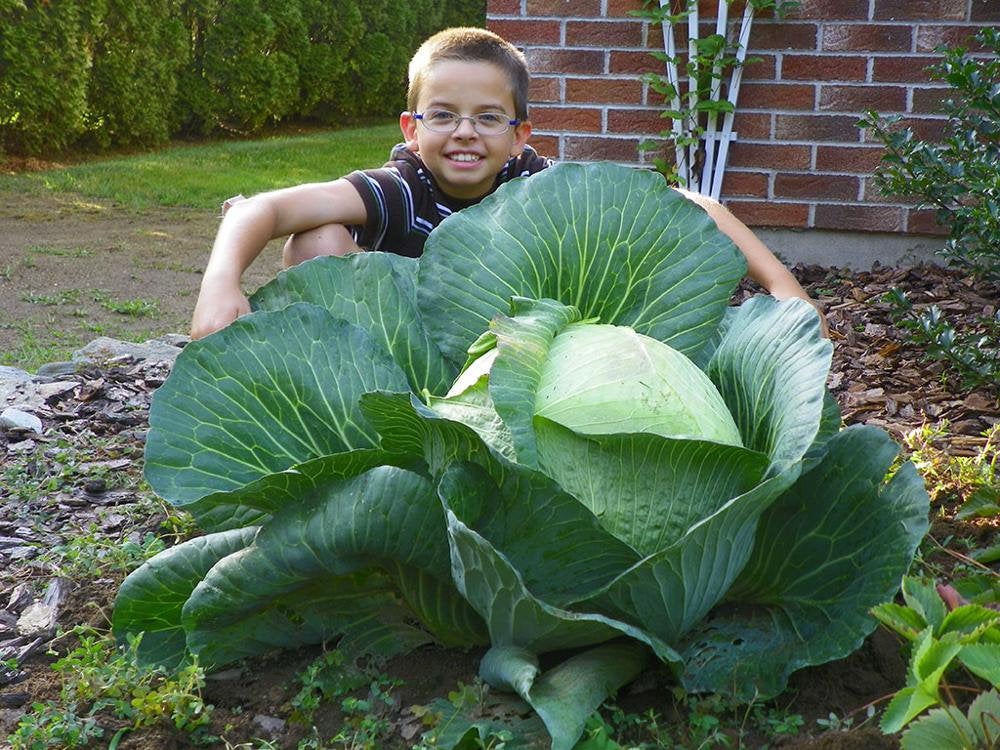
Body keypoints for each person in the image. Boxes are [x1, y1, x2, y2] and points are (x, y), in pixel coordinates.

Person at [190, 26, 824, 340]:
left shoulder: (534, 184)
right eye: (443, 116)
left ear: (521, 135)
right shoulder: (402, 188)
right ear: (412, 129)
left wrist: (782, 288)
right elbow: (264, 208)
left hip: (512, 349)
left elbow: (692, 206)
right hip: (404, 349)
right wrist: (220, 285)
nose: (465, 133)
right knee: (315, 239)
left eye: (488, 118)